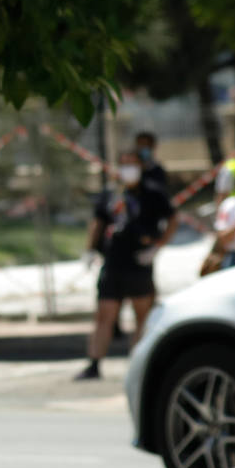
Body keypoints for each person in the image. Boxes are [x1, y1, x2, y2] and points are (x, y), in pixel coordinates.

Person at [75, 149, 178, 379]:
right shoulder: (110, 194)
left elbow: (173, 219)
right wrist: (90, 249)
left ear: (141, 167)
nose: (128, 169)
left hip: (139, 262)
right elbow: (98, 223)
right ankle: (94, 364)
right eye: (123, 164)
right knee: (104, 314)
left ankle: (138, 365)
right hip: (112, 263)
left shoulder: (153, 193)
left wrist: (157, 246)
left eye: (132, 164)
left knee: (142, 315)